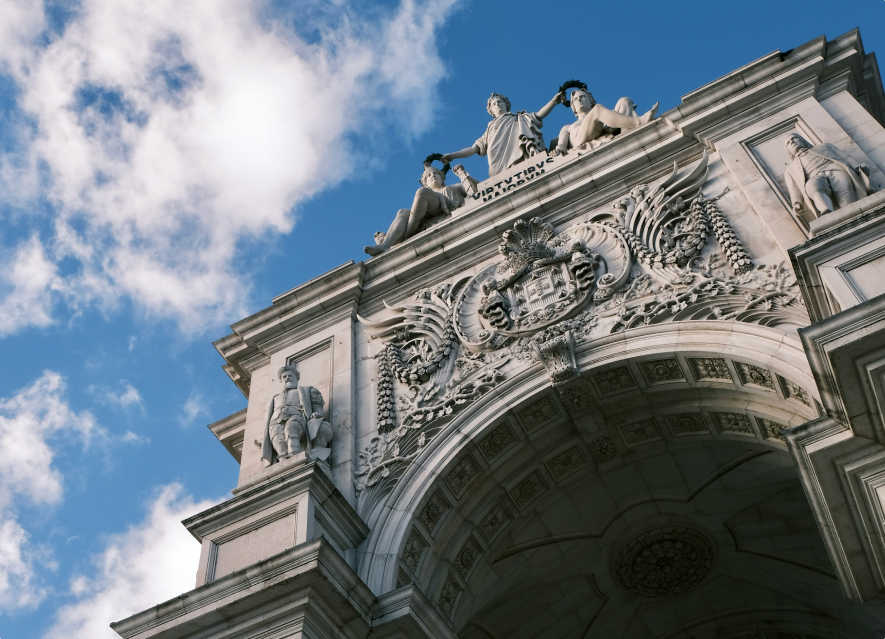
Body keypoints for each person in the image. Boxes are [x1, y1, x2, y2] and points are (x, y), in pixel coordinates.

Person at [441, 92, 564, 178]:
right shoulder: (490, 128)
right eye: (493, 104)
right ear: (491, 111)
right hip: (497, 160)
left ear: (506, 104)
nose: (497, 105)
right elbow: (473, 149)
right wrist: (453, 156)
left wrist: (554, 101)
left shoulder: (519, 118)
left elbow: (539, 115)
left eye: (499, 102)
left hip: (521, 155)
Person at [364, 163, 477, 257]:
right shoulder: (426, 195)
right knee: (402, 212)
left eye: (436, 173)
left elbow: (477, 189)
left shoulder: (455, 187)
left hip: (450, 208)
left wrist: (463, 175)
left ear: (442, 178)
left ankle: (404, 236)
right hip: (427, 215)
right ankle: (386, 245)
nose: (433, 175)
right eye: (429, 175)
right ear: (425, 182)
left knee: (421, 192)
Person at [783, 133, 873, 217]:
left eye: (794, 138)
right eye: (788, 143)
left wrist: (857, 166)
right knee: (813, 188)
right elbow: (794, 189)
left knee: (843, 189)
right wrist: (796, 203)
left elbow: (845, 157)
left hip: (834, 169)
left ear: (802, 140)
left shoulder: (825, 146)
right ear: (788, 151)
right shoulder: (790, 169)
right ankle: (827, 212)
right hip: (813, 177)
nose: (792, 142)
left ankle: (850, 207)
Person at [261, 366, 333, 465]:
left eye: (290, 375)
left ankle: (295, 455)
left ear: (296, 378)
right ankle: (283, 462)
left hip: (296, 416)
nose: (287, 378)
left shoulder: (307, 390)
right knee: (278, 439)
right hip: (275, 421)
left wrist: (317, 414)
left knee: (291, 429)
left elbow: (317, 406)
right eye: (284, 377)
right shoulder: (275, 398)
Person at [552, 89, 658, 155]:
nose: (579, 100)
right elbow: (561, 145)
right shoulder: (567, 127)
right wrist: (558, 149)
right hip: (580, 140)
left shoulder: (600, 114)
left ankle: (625, 136)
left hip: (602, 128)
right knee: (598, 110)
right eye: (575, 99)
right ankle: (638, 122)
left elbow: (606, 114)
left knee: (624, 100)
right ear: (573, 107)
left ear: (590, 101)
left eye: (582, 97)